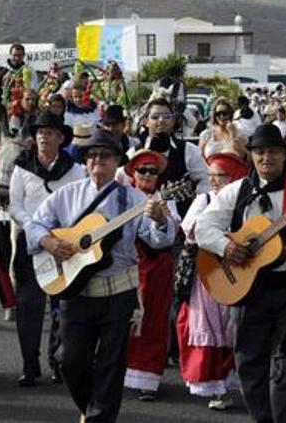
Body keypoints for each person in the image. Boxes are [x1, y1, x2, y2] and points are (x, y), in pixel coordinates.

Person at [195, 123, 286, 423]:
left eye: (273, 152)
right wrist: (226, 247)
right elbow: (203, 227)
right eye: (260, 152)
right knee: (249, 361)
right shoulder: (236, 192)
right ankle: (263, 419)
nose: (266, 158)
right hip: (248, 291)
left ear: (285, 155)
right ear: (251, 156)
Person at [27, 130, 175, 422]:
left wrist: (160, 219)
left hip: (117, 292)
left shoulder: (133, 199)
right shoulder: (67, 195)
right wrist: (50, 242)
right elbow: (34, 225)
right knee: (68, 361)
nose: (98, 161)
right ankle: (92, 409)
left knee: (110, 365)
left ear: (117, 161)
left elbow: (159, 241)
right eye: (92, 155)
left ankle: (98, 417)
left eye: (105, 155)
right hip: (75, 291)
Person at [8, 112, 86, 386]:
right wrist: (35, 231)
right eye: (40, 132)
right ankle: (30, 364)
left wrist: (63, 234)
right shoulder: (22, 167)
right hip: (31, 243)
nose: (44, 137)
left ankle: (58, 360)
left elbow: (80, 204)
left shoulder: (75, 169)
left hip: (64, 243)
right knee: (29, 306)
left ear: (61, 138)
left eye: (50, 133)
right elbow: (15, 205)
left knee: (62, 306)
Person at [178, 153, 248, 410]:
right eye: (211, 176)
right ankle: (214, 385)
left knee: (233, 325)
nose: (215, 181)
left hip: (239, 271)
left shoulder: (244, 201)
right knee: (209, 323)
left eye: (221, 175)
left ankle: (232, 383)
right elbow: (191, 231)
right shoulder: (203, 199)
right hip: (208, 273)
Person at [122, 150, 180, 402]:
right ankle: (120, 371)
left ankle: (148, 377)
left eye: (152, 171)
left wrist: (160, 219)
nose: (147, 175)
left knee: (153, 322)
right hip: (124, 265)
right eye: (142, 170)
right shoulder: (122, 198)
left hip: (156, 268)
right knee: (122, 321)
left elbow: (166, 238)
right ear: (132, 173)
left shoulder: (165, 199)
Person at [135, 97, 209, 203]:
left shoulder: (189, 151)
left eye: (166, 116)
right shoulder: (134, 152)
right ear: (146, 121)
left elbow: (205, 182)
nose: (161, 120)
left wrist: (196, 206)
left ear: (172, 121)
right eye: (155, 117)